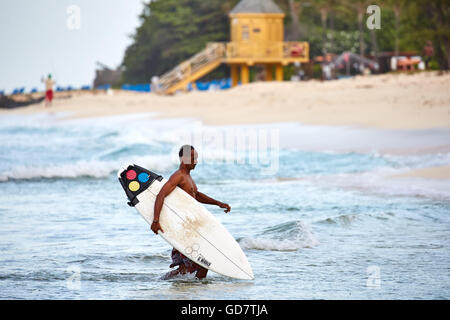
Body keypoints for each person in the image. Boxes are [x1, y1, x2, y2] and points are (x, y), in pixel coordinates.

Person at [151, 145, 231, 280]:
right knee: (203, 263)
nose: (196, 161)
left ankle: (169, 284)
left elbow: (196, 195)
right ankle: (196, 289)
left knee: (186, 268)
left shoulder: (188, 177)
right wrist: (155, 220)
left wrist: (218, 203)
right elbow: (161, 195)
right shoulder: (178, 176)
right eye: (194, 158)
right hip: (183, 229)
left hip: (189, 228)